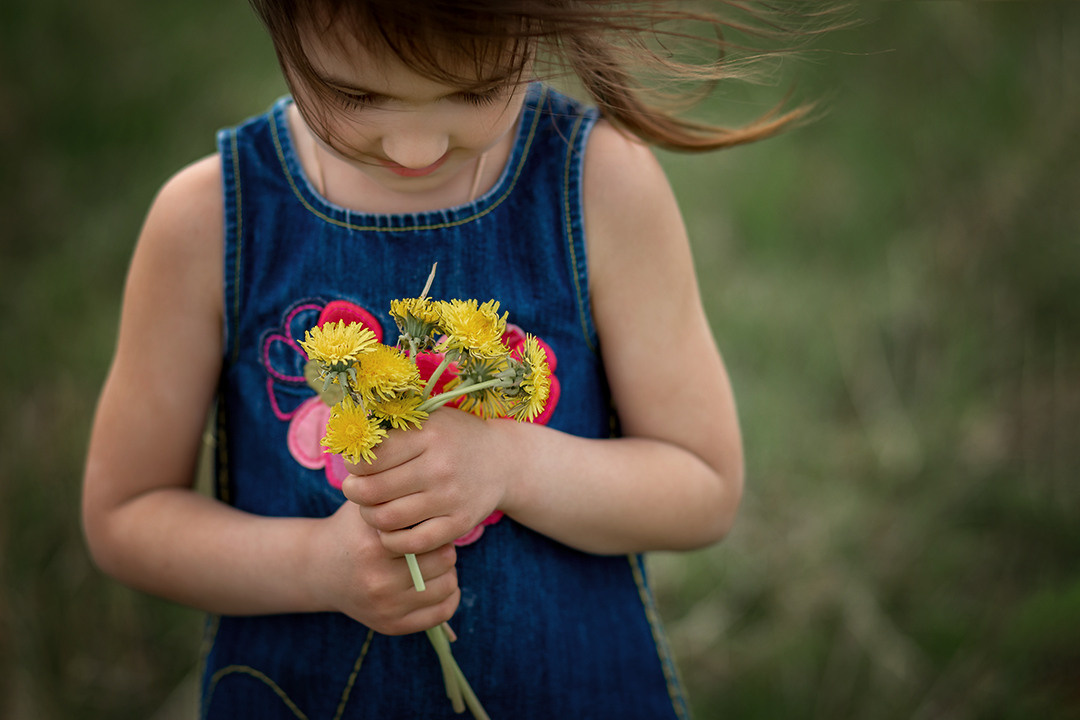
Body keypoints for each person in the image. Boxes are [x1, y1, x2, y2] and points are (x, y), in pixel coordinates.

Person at [82, 1, 817, 717]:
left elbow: (703, 487)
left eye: (474, 91)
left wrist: (510, 465)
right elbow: (125, 515)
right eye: (354, 95)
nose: (416, 149)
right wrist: (315, 566)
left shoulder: (597, 182)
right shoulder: (210, 219)